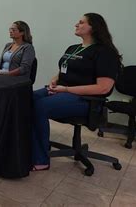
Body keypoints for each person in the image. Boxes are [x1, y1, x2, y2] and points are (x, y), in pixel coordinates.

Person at [32, 13, 122, 171]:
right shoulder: (73, 48)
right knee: (27, 98)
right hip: (62, 91)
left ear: (93, 27)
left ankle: (41, 159)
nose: (76, 24)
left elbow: (103, 88)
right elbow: (64, 71)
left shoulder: (105, 52)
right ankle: (39, 145)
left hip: (86, 100)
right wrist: (55, 79)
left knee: (40, 107)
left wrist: (66, 89)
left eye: (81, 22)